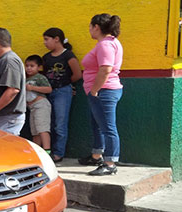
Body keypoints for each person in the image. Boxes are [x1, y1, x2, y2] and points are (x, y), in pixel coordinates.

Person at [79, 13, 123, 176]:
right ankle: (97, 156)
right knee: (97, 124)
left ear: (96, 27)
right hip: (102, 91)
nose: (89, 30)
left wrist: (94, 90)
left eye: (90, 27)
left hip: (104, 91)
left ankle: (110, 163)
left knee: (108, 127)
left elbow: (105, 69)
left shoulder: (106, 45)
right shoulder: (109, 43)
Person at [42, 27, 82, 163]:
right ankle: (49, 150)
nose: (45, 43)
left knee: (60, 123)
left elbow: (77, 74)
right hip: (49, 91)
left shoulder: (68, 55)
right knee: (50, 122)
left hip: (63, 92)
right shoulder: (46, 58)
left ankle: (58, 153)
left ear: (56, 39)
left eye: (46, 39)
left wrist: (66, 84)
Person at [24, 55, 52, 151]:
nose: (29, 68)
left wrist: (33, 88)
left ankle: (47, 150)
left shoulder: (40, 77)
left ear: (39, 67)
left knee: (42, 128)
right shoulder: (25, 79)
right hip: (31, 107)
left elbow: (49, 89)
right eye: (27, 66)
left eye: (32, 66)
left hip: (41, 105)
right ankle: (37, 151)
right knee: (35, 131)